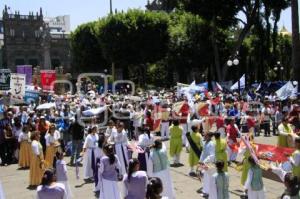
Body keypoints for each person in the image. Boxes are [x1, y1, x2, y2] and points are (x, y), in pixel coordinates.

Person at [198, 132, 215, 196]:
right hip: (204, 163)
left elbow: (212, 155)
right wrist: (200, 160)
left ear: (209, 136)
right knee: (205, 177)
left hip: (209, 163)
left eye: (205, 135)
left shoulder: (211, 144)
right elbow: (203, 152)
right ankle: (206, 190)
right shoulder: (205, 142)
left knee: (208, 178)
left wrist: (205, 161)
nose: (204, 136)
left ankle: (206, 192)